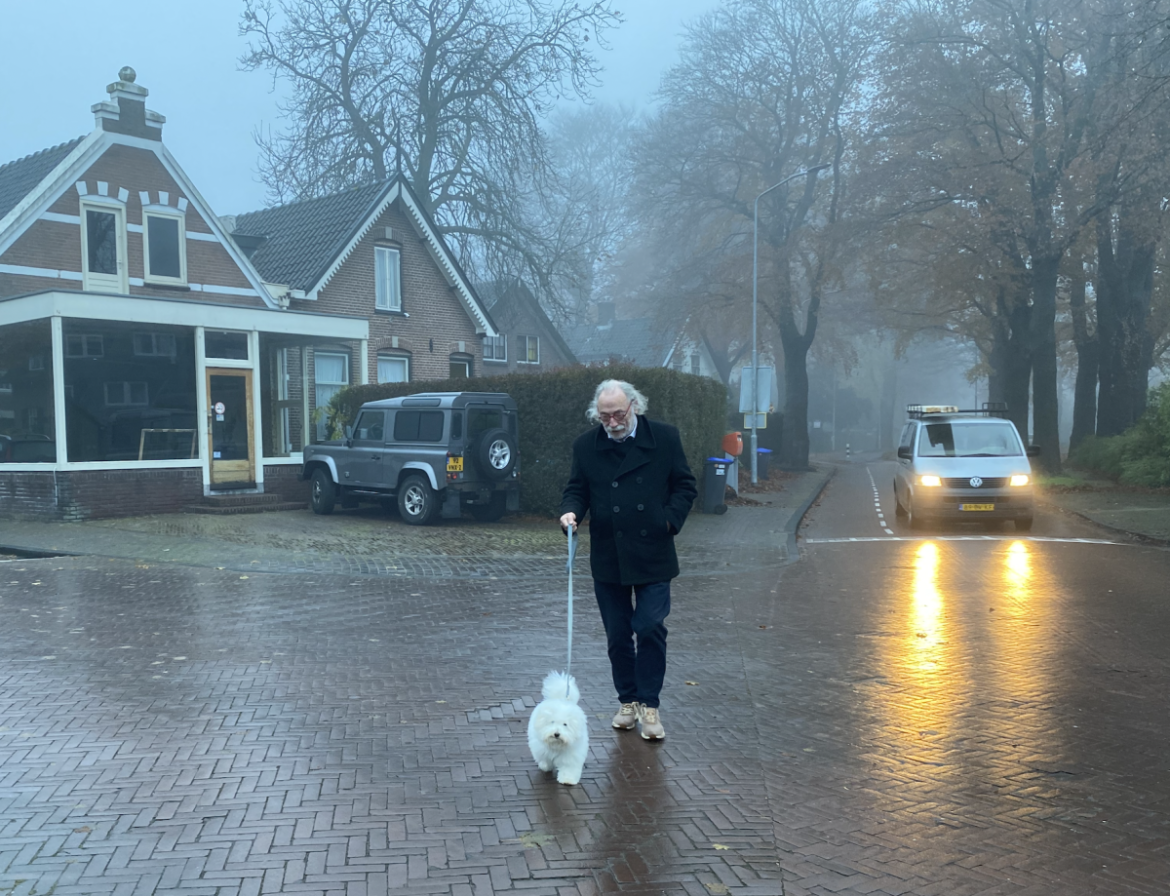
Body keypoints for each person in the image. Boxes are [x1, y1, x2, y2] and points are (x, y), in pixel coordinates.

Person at [559, 379, 697, 740]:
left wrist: (668, 520)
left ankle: (650, 706)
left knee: (649, 626)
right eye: (605, 416)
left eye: (618, 413)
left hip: (653, 551)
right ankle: (628, 701)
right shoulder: (586, 447)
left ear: (634, 406)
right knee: (618, 635)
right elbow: (577, 489)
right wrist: (570, 513)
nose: (613, 422)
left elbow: (685, 485)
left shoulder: (664, 438)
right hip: (609, 554)